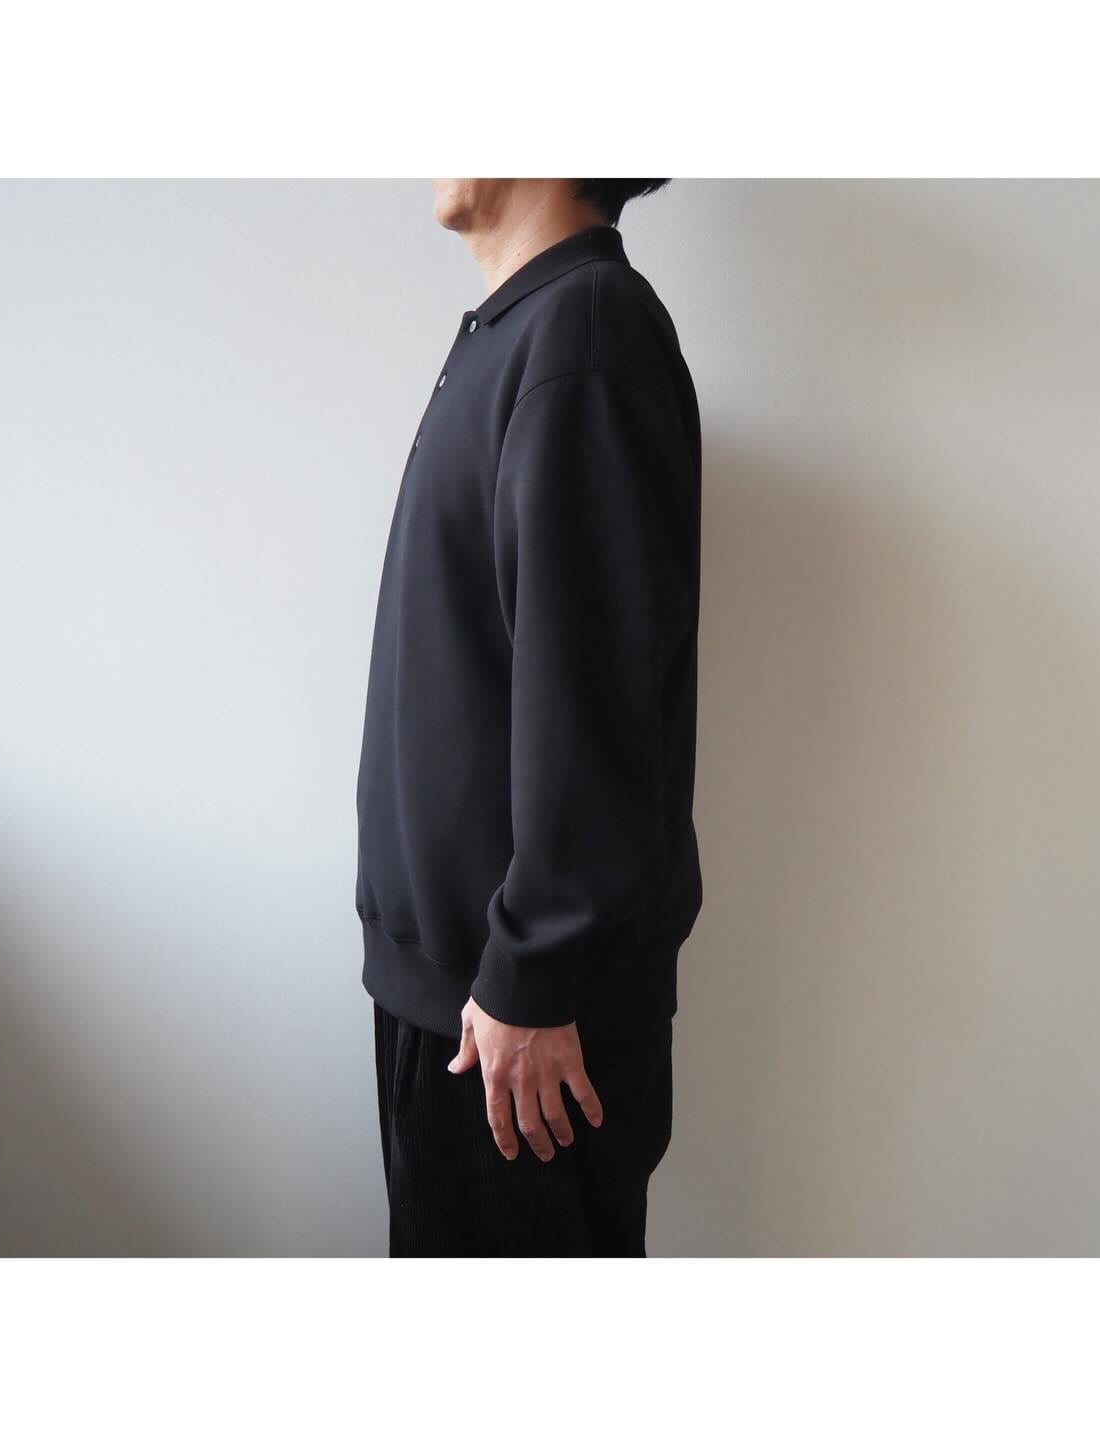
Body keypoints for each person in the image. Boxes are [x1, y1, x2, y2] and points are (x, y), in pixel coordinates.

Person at [354, 178, 703, 1256]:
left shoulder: (585, 335)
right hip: (471, 1006)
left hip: (517, 1030)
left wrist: (532, 976)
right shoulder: (526, 332)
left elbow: (592, 694)